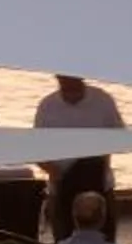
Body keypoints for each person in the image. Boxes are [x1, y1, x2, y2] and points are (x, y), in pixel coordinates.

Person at [33, 74, 126, 217]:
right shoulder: (47, 106)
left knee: (105, 238)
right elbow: (36, 151)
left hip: (99, 186)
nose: (67, 82)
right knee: (64, 238)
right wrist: (56, 173)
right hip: (61, 188)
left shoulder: (103, 100)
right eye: (62, 78)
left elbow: (119, 137)